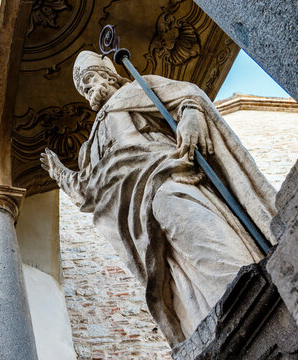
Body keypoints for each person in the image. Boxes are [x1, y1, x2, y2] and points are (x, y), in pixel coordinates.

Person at [40, 50, 276, 346]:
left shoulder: (135, 91)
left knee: (185, 218)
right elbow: (87, 191)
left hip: (165, 175)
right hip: (130, 217)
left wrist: (191, 117)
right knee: (170, 273)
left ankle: (251, 292)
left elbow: (186, 97)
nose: (88, 88)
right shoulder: (88, 149)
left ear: (109, 74)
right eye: (83, 87)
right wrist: (61, 174)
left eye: (89, 79)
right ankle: (208, 319)